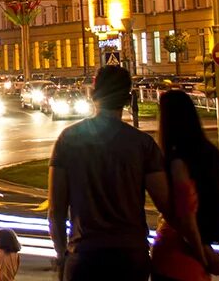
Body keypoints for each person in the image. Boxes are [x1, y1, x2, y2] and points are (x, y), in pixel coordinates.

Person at [48, 65, 171, 281]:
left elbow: (56, 211)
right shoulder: (142, 145)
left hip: (84, 256)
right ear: (128, 98)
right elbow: (166, 204)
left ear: (94, 95)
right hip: (130, 257)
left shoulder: (67, 140)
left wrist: (62, 255)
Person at [150, 90, 219, 281]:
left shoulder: (177, 161)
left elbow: (186, 218)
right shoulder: (211, 154)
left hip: (175, 255)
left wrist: (203, 255)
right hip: (195, 255)